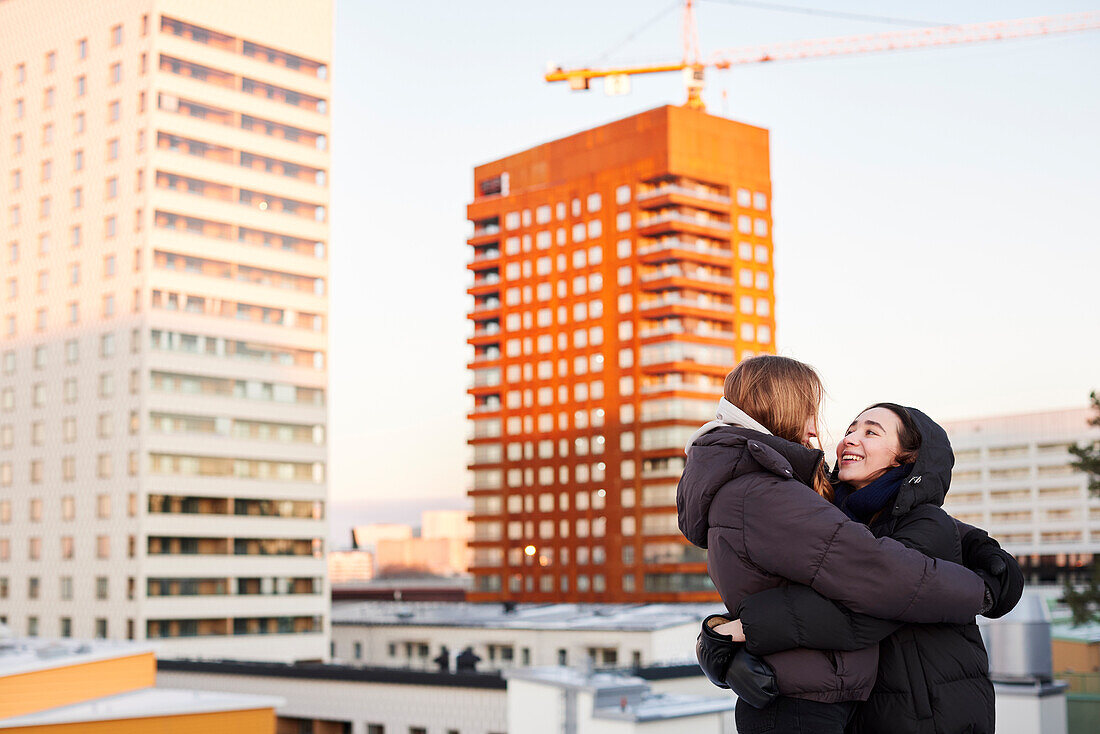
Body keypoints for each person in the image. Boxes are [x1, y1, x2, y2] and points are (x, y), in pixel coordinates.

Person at [677, 356, 1013, 733]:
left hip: (930, 713)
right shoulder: (812, 506)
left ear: (906, 458)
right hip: (853, 709)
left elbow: (870, 607)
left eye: (872, 432)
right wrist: (728, 641)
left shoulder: (925, 524)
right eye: (851, 428)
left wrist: (739, 633)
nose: (846, 437)